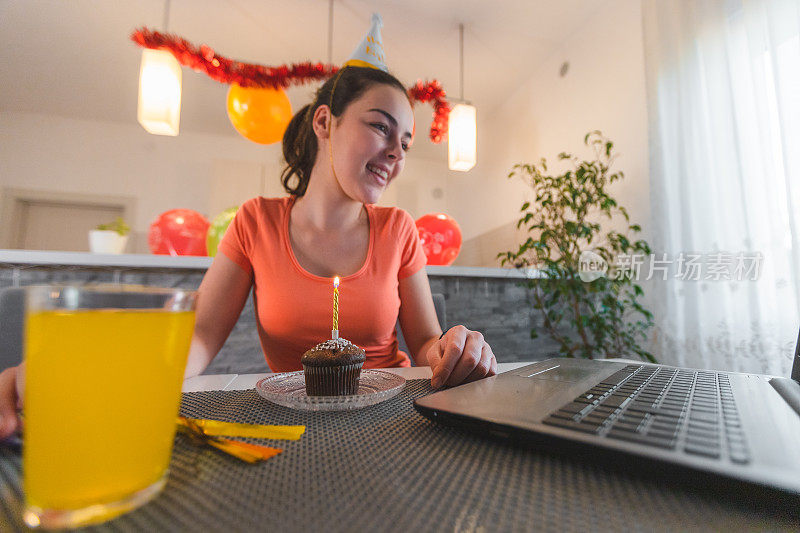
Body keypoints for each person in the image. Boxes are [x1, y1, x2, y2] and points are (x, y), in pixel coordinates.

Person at [0, 66, 496, 441]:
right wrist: (89, 365)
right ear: (325, 122)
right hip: (287, 426)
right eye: (381, 127)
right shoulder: (255, 221)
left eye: (406, 143)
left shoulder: (399, 228)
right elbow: (195, 338)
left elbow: (427, 342)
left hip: (392, 420)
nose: (396, 153)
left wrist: (454, 349)